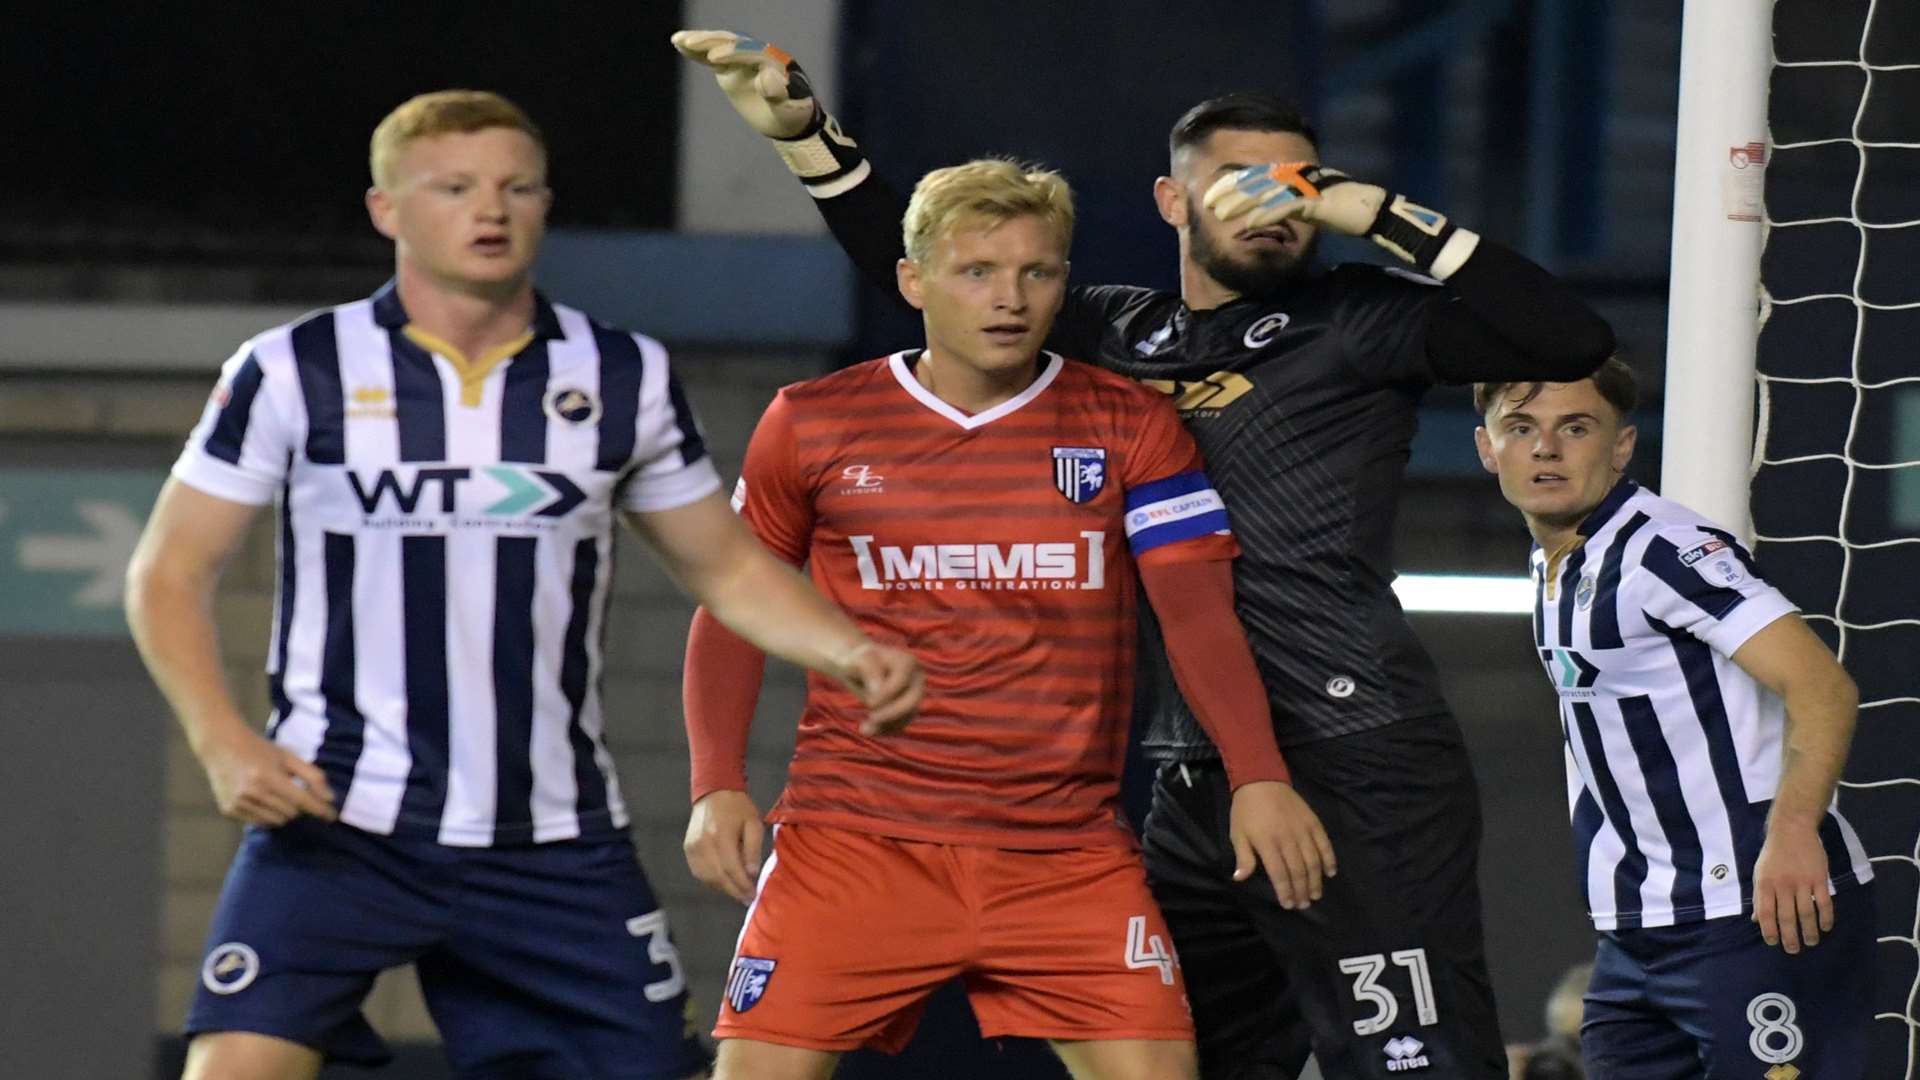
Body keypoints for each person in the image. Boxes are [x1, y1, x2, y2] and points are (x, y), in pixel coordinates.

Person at [672, 30, 1618, 1080]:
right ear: (1174, 202)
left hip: (1354, 750)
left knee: (1411, 1061)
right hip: (1185, 777)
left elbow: (1566, 340)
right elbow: (942, 266)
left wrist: (1378, 212)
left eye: (1300, 179)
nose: (1276, 199)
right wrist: (809, 139)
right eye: (1240, 181)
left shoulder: (1359, 323)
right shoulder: (1114, 340)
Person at [124, 89, 923, 1080]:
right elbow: (168, 572)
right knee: (234, 1068)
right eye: (455, 187)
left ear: (547, 206)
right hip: (337, 822)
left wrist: (846, 647)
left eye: (517, 187)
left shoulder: (619, 374)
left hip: (550, 839)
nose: (490, 209)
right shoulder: (295, 369)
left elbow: (721, 563)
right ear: (388, 210)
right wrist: (221, 739)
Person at [679, 158, 1329, 1080]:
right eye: (976, 271)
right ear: (914, 281)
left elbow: (1198, 617)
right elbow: (735, 603)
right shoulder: (813, 420)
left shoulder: (1128, 422)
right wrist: (715, 784)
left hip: (1064, 855)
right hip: (854, 846)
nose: (1010, 298)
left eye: (1038, 272)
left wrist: (1259, 775)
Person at [1472, 359, 1875, 1078]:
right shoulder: (1553, 563)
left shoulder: (1661, 549)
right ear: (1487, 448)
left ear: (1622, 447)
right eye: (1521, 429)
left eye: (1575, 427)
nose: (1545, 449)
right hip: (1637, 933)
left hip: (1754, 911)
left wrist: (1789, 835)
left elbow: (1824, 686)